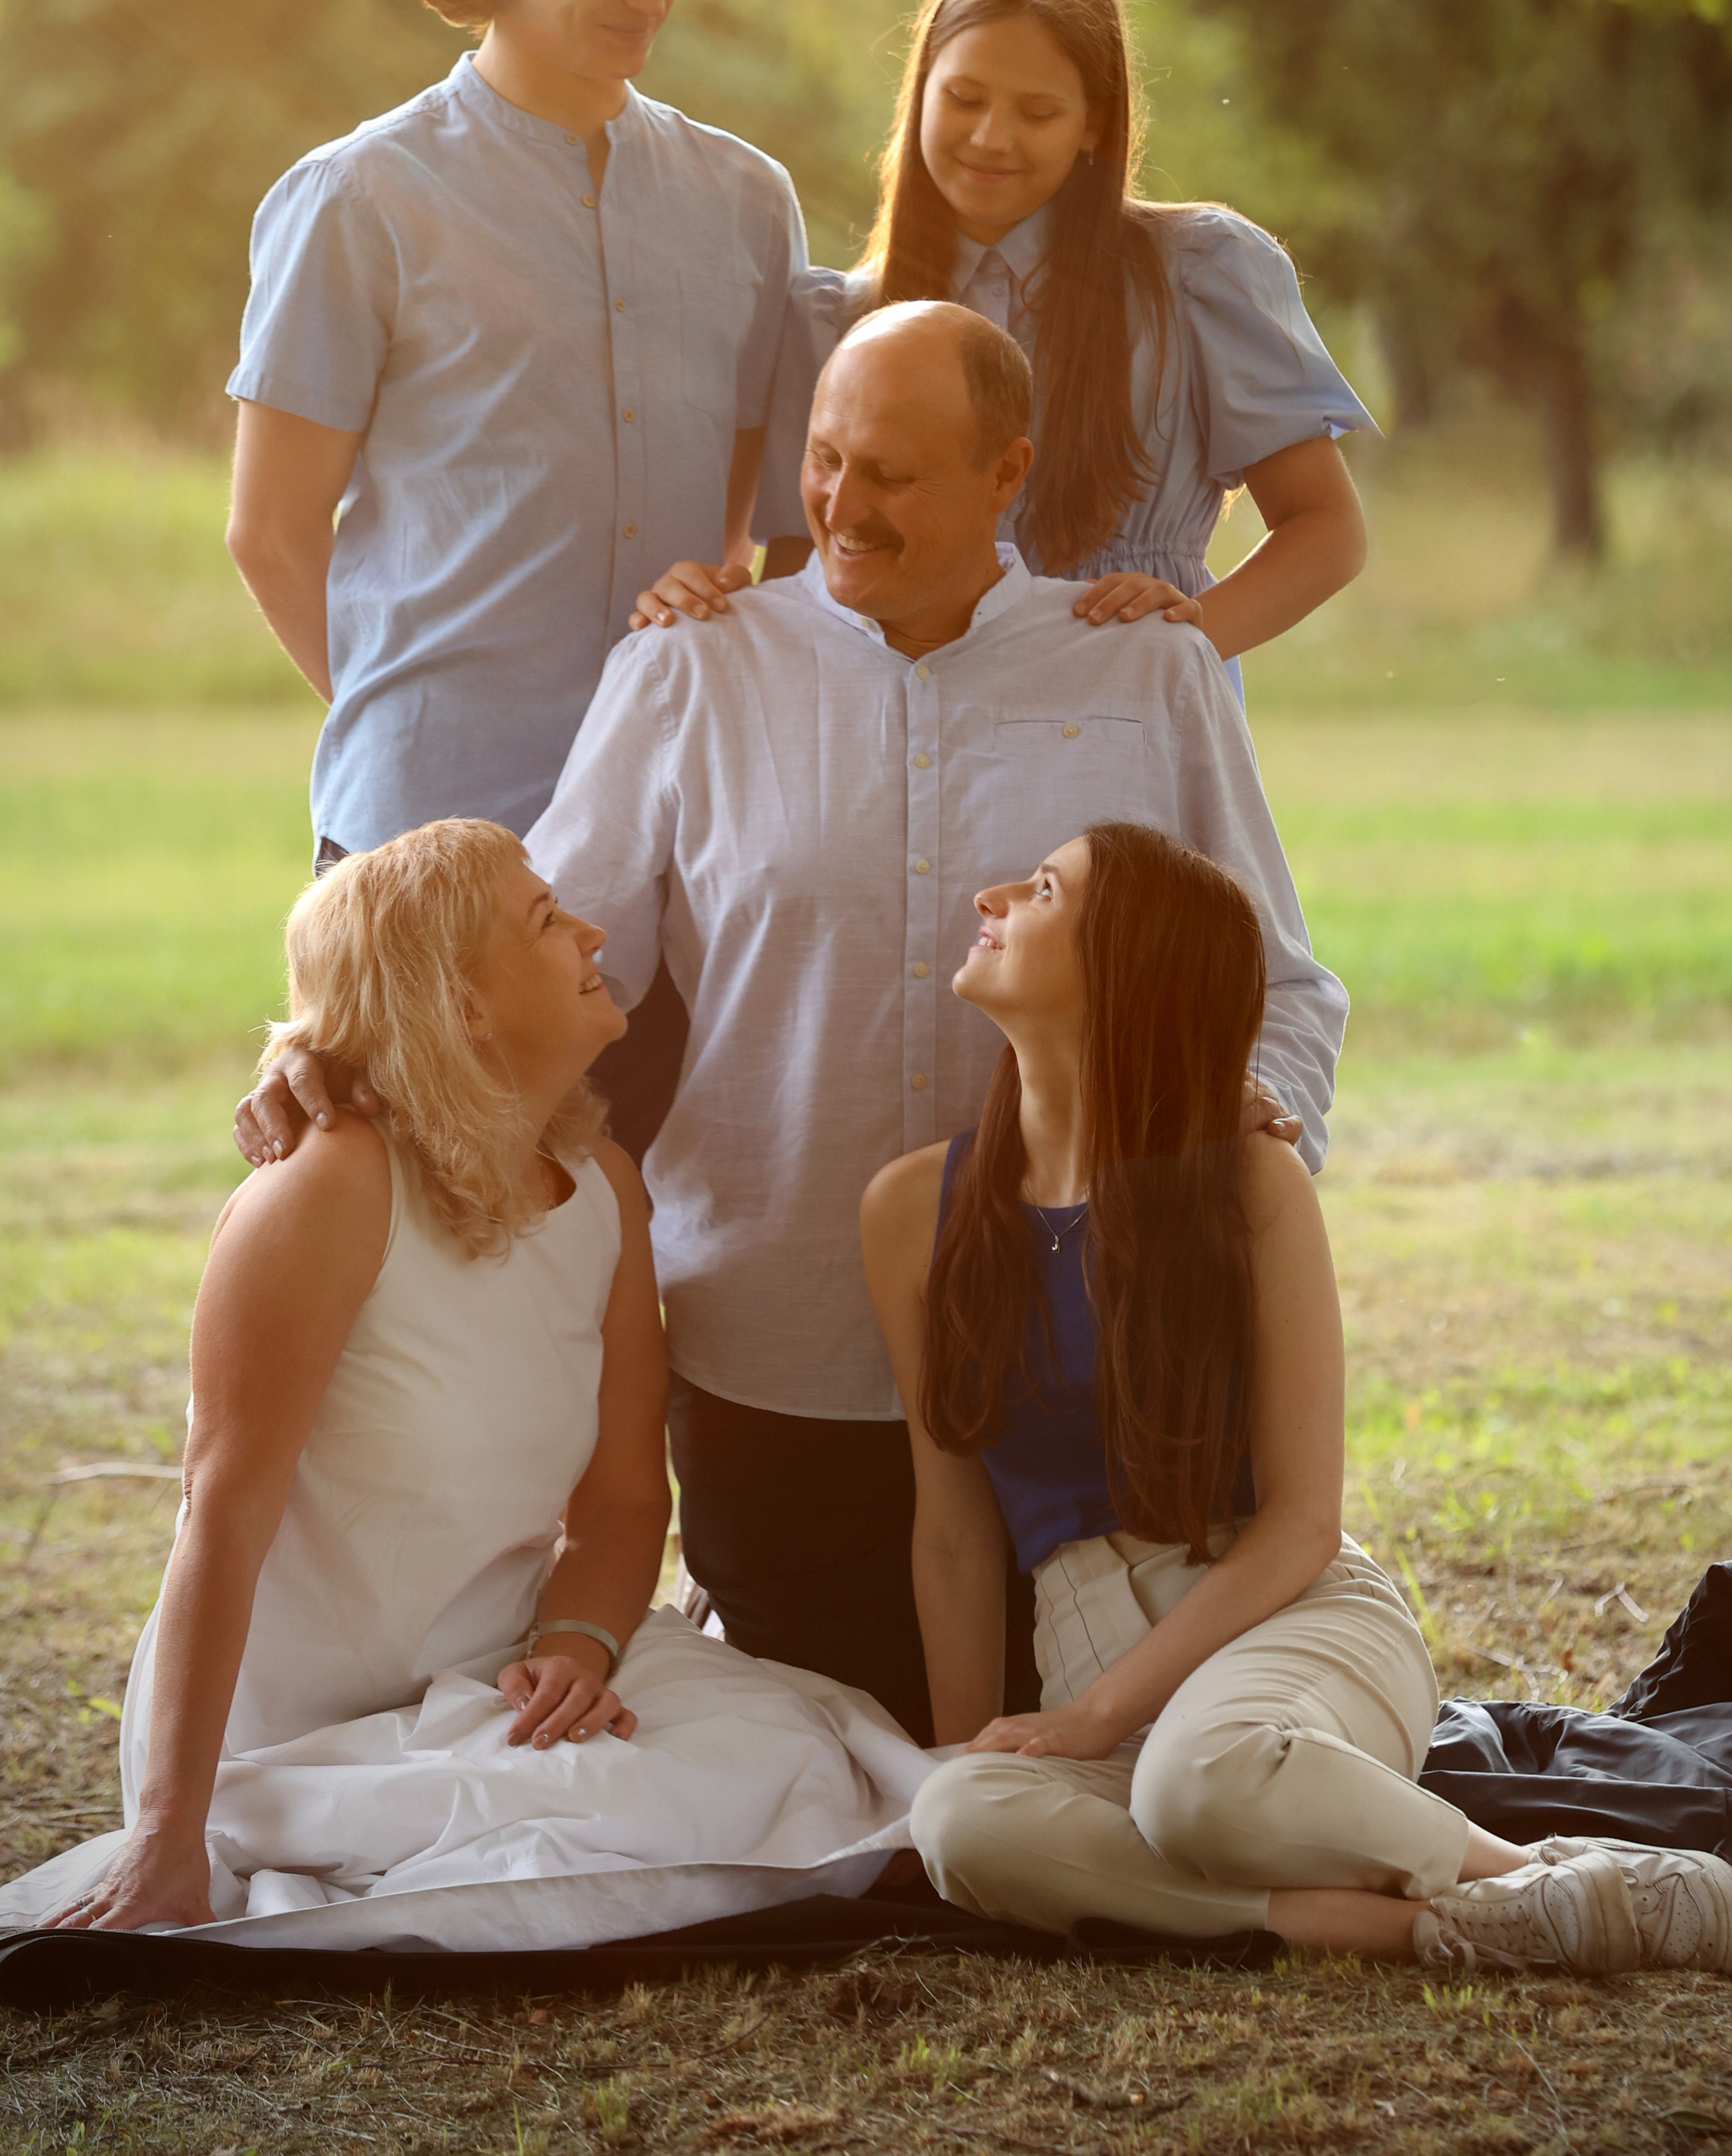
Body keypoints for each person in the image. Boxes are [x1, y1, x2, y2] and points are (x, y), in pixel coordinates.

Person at [239, 303, 1348, 1742]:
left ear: (1007, 473)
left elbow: (1283, 987)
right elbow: (520, 968)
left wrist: (1246, 1150)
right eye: (825, 459)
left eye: (893, 472)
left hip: (1086, 1368)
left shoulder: (1143, 669)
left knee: (1108, 1747)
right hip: (774, 1350)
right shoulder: (689, 668)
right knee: (832, 1746)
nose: (842, 502)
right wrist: (335, 1049)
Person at [0, 822, 925, 1954]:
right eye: (547, 919)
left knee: (796, 1750)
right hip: (306, 1718)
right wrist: (168, 1829)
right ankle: (275, 1818)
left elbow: (621, 1501)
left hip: (495, 1666)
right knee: (654, 1810)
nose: (591, 931)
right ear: (462, 1006)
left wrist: (576, 1650)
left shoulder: (605, 1189)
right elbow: (221, 1513)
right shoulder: (328, 1188)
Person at [862, 820, 1732, 1978]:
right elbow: (953, 1533)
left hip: (1287, 1622)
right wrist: (962, 1749)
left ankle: (1527, 1869)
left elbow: (1300, 1523)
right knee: (959, 1824)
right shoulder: (909, 1211)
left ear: (1127, 970)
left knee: (1199, 1782)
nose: (990, 896)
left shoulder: (1246, 1180)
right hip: (1089, 1660)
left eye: (1039, 889)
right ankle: (1458, 1923)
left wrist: (1095, 1719)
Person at [224, 0, 817, 1150]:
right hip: (427, 827)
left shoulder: (747, 201)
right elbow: (271, 530)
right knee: (404, 1216)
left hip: (680, 832)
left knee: (647, 1217)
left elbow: (766, 514)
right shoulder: (360, 197)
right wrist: (407, 720)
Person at [632, 0, 1374, 684]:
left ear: (1092, 123)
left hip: (1128, 718)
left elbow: (1326, 528)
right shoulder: (835, 321)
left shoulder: (1197, 274)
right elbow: (809, 578)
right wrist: (700, 609)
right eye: (964, 98)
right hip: (906, 720)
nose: (991, 138)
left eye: (1038, 113)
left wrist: (1174, 648)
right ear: (920, 90)